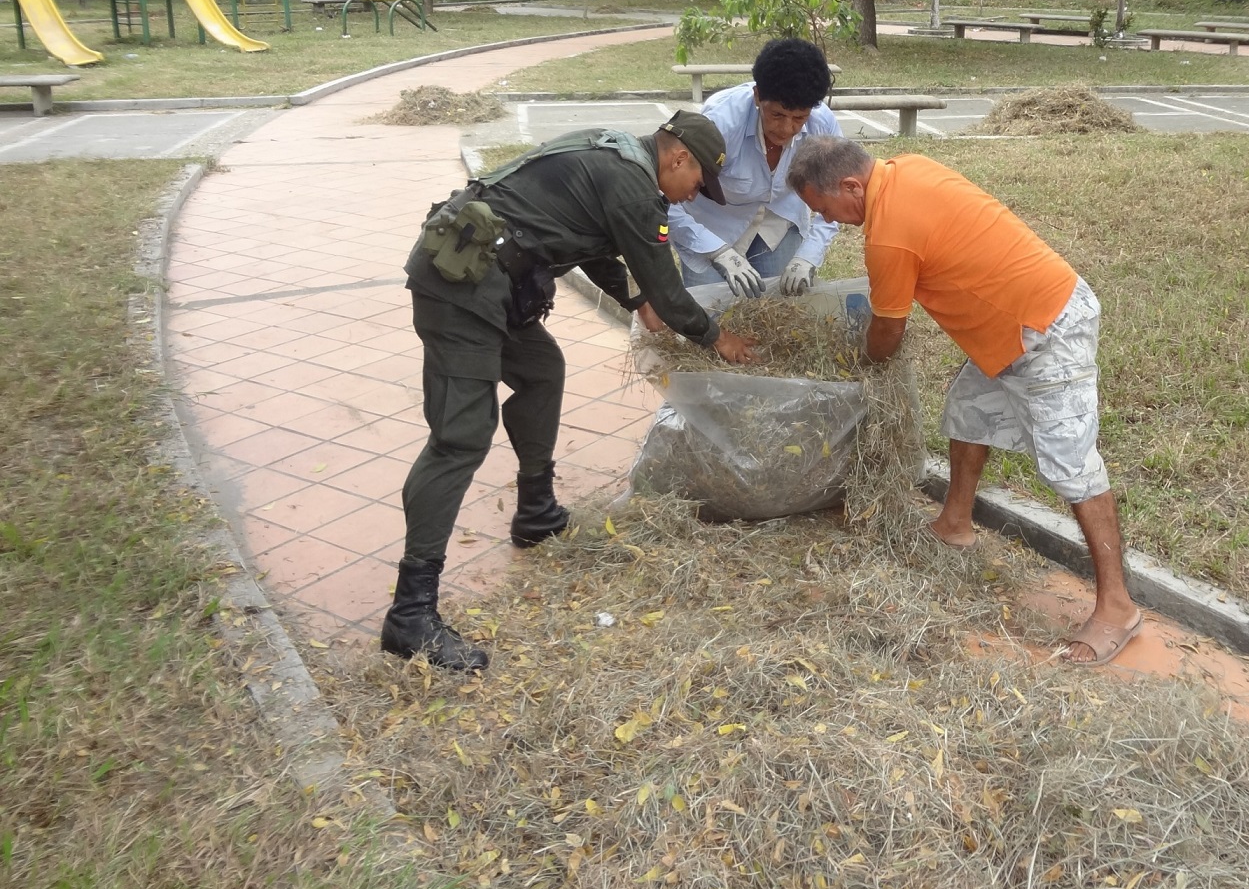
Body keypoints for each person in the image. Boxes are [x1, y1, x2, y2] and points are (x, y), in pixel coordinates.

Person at [383, 111, 756, 672]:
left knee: (542, 369)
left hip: (495, 282)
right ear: (678, 158)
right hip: (461, 285)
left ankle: (535, 511)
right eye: (698, 183)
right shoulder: (635, 186)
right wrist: (716, 337)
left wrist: (636, 301)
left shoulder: (615, 153)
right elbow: (672, 295)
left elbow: (595, 247)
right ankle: (410, 612)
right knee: (460, 438)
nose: (692, 197)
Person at [788, 136, 1143, 666]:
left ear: (850, 186)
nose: (831, 221)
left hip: (1045, 329)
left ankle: (1117, 606)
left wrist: (856, 368)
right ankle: (955, 524)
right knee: (967, 413)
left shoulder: (886, 236)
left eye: (825, 208)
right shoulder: (910, 168)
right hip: (1003, 331)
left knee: (1072, 465)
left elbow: (887, 333)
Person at [667, 38, 842, 297]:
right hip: (713, 223)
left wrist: (808, 255)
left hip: (779, 221)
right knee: (708, 313)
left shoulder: (822, 125)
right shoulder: (719, 123)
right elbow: (665, 200)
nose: (786, 129)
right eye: (777, 115)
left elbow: (838, 193)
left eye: (799, 118)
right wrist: (716, 251)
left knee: (778, 309)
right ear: (758, 96)